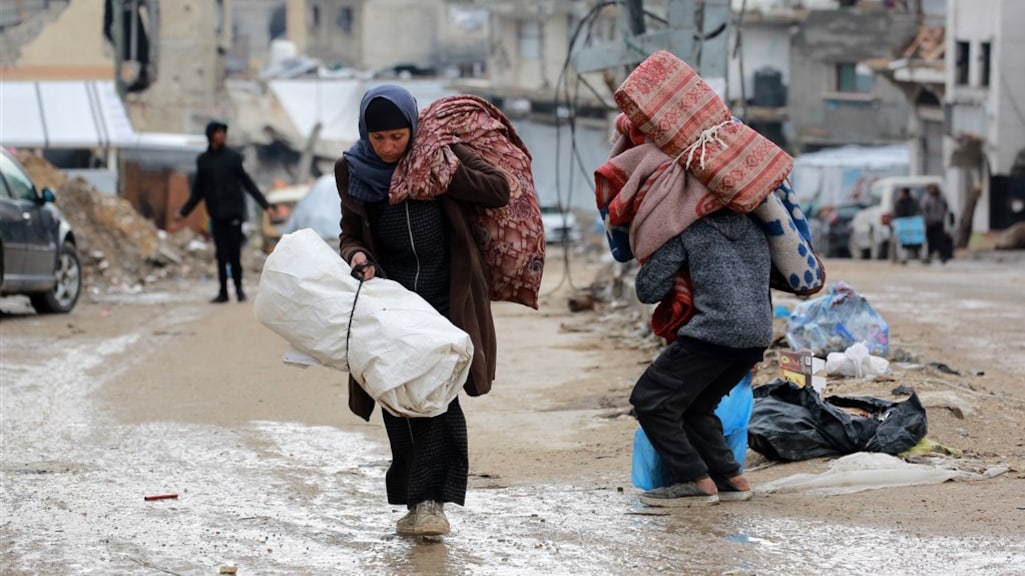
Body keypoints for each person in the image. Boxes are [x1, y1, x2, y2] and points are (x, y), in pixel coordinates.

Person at [335, 85, 510, 537]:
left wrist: (447, 171)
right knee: (397, 397)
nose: (389, 148)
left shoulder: (441, 154)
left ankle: (433, 502)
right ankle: (415, 502)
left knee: (438, 394)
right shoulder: (353, 170)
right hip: (391, 304)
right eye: (379, 139)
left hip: (444, 299)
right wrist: (357, 257)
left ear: (413, 128)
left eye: (397, 137)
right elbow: (350, 232)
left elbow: (497, 189)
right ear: (365, 135)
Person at [630, 208, 772, 506]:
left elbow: (648, 289)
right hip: (756, 336)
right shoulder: (757, 227)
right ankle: (732, 478)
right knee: (697, 407)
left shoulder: (688, 227)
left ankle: (695, 481)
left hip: (712, 333)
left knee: (650, 400)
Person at [177, 121, 272, 303]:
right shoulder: (203, 161)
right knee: (220, 254)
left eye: (223, 132)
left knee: (234, 253)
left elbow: (248, 183)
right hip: (216, 215)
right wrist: (183, 213)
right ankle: (223, 292)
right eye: (218, 132)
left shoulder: (234, 158)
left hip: (234, 214)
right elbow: (198, 191)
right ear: (210, 135)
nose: (222, 135)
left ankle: (239, 289)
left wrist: (266, 205)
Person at [920, 183, 952, 263]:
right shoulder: (927, 198)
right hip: (929, 223)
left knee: (941, 240)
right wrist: (927, 220)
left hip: (939, 222)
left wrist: (942, 216)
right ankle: (928, 256)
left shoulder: (941, 198)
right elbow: (923, 210)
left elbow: (946, 208)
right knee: (930, 241)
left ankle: (943, 256)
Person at [893, 187, 922, 262]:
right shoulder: (899, 203)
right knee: (901, 242)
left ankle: (918, 255)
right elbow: (896, 213)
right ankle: (902, 258)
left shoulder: (913, 202)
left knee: (917, 241)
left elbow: (918, 211)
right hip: (902, 225)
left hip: (913, 226)